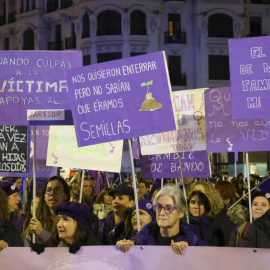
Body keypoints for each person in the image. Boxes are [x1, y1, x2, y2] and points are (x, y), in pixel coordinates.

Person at [136, 184, 207, 255]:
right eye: (159, 207)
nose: (162, 213)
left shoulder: (193, 243)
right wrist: (128, 247)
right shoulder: (142, 239)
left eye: (169, 208)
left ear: (181, 212)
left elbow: (206, 261)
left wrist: (190, 252)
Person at [23, 176, 70, 247]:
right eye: (48, 190)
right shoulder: (37, 223)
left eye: (57, 190)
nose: (51, 193)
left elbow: (63, 249)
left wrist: (42, 233)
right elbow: (29, 252)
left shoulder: (71, 221)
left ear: (65, 196)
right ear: (44, 197)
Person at [190, 181, 235, 246]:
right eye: (193, 193)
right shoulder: (186, 222)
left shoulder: (222, 222)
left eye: (200, 193)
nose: (195, 196)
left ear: (210, 196)